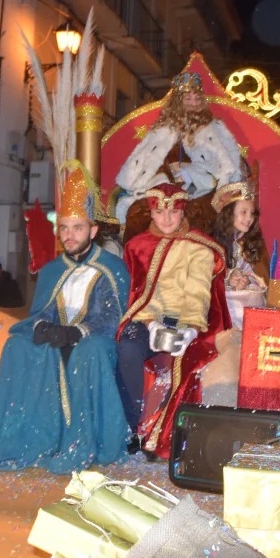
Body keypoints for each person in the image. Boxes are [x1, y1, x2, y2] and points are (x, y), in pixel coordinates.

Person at [0, 166, 131, 473]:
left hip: (95, 341)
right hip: (59, 335)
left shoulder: (111, 266)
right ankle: (17, 442)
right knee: (17, 347)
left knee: (88, 353)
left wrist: (76, 333)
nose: (70, 235)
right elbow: (42, 310)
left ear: (92, 230)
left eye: (77, 228)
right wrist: (43, 326)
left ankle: (80, 444)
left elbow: (112, 315)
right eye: (64, 228)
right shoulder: (51, 270)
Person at [115, 183, 231, 460]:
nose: (167, 219)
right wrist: (151, 325)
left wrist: (188, 332)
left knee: (186, 362)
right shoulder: (136, 246)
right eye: (159, 212)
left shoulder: (200, 248)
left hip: (187, 324)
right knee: (127, 348)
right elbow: (134, 293)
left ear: (183, 213)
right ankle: (129, 429)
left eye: (173, 213)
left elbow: (198, 294)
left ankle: (162, 435)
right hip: (144, 321)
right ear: (151, 213)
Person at [114, 72, 246, 226]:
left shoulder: (214, 129)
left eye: (197, 99)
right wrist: (165, 179)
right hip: (163, 188)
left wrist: (192, 174)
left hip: (200, 191)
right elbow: (148, 163)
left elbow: (226, 166)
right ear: (178, 101)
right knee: (138, 214)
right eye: (188, 99)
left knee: (197, 217)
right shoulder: (163, 130)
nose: (193, 104)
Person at [211, 178, 268, 328]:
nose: (249, 218)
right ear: (229, 213)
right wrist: (229, 277)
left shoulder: (250, 242)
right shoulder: (211, 244)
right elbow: (205, 276)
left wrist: (247, 280)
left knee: (254, 299)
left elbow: (259, 275)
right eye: (243, 212)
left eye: (252, 213)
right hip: (221, 299)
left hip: (246, 296)